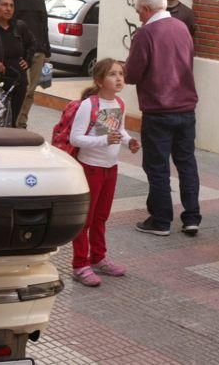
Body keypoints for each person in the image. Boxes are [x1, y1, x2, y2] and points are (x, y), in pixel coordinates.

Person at [124, 0, 200, 237]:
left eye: (138, 12)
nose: (138, 17)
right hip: (186, 108)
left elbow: (132, 74)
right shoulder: (182, 28)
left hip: (158, 111)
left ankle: (161, 219)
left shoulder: (145, 34)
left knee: (157, 167)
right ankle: (191, 217)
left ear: (146, 9)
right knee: (187, 163)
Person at [69, 58, 141, 287]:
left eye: (120, 74)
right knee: (86, 219)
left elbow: (118, 130)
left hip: (111, 168)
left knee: (101, 216)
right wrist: (104, 140)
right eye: (112, 74)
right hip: (91, 167)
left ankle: (98, 258)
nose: (118, 78)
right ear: (99, 81)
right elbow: (75, 138)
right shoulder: (89, 105)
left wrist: (128, 141)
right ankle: (80, 264)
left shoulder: (118, 103)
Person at [9, 0, 51, 129]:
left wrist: (47, 52)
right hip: (20, 53)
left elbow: (44, 24)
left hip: (39, 53)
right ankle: (11, 123)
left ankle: (21, 124)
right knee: (20, 90)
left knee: (31, 92)